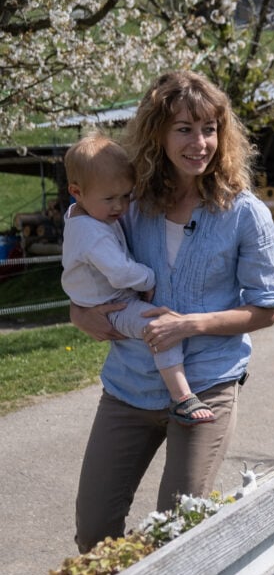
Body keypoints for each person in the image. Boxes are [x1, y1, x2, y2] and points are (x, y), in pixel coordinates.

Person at [69, 71, 274, 552]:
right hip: (128, 387)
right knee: (94, 531)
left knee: (176, 534)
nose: (199, 142)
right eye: (184, 129)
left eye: (209, 129)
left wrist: (190, 325)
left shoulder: (244, 213)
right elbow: (87, 268)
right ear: (158, 134)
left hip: (207, 386)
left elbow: (266, 309)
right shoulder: (127, 203)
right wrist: (77, 312)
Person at [61, 132, 215, 426]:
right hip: (111, 303)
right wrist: (148, 279)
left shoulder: (86, 215)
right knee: (159, 327)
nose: (120, 207)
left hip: (100, 299)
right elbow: (120, 273)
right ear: (76, 192)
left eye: (126, 196)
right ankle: (183, 397)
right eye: (110, 199)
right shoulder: (93, 234)